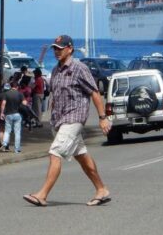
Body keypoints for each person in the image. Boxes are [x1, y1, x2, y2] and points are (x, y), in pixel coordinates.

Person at [23, 35, 111, 207]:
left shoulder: (79, 68)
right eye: (55, 48)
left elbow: (94, 92)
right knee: (82, 156)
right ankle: (101, 189)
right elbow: (55, 94)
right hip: (60, 120)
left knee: (55, 152)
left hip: (75, 117)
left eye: (60, 48)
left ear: (70, 48)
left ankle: (42, 194)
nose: (57, 51)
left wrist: (102, 118)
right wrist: (51, 116)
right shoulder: (56, 70)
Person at [0, 81, 27, 153]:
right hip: (17, 114)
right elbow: (25, 103)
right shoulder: (20, 94)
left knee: (7, 131)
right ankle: (17, 149)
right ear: (17, 87)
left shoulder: (6, 94)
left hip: (8, 114)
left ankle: (4, 144)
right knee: (17, 132)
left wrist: (2, 113)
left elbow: (3, 104)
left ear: (11, 86)